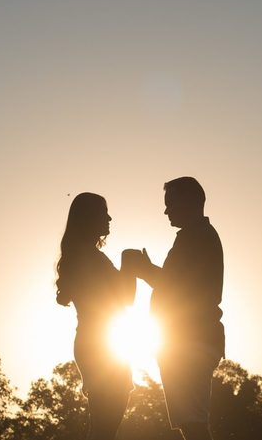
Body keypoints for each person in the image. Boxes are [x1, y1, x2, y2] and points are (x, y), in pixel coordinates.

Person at [128, 177, 224, 440]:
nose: (166, 211)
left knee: (193, 424)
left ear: (189, 202)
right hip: (187, 340)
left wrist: (145, 270)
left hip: (191, 340)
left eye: (170, 204)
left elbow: (178, 286)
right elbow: (179, 283)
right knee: (189, 423)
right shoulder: (195, 237)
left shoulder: (197, 237)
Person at [55, 193, 137, 440]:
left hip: (98, 343)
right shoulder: (88, 258)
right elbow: (124, 300)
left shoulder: (84, 256)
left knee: (104, 426)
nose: (109, 217)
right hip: (100, 346)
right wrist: (130, 265)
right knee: (104, 428)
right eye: (104, 212)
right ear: (89, 218)